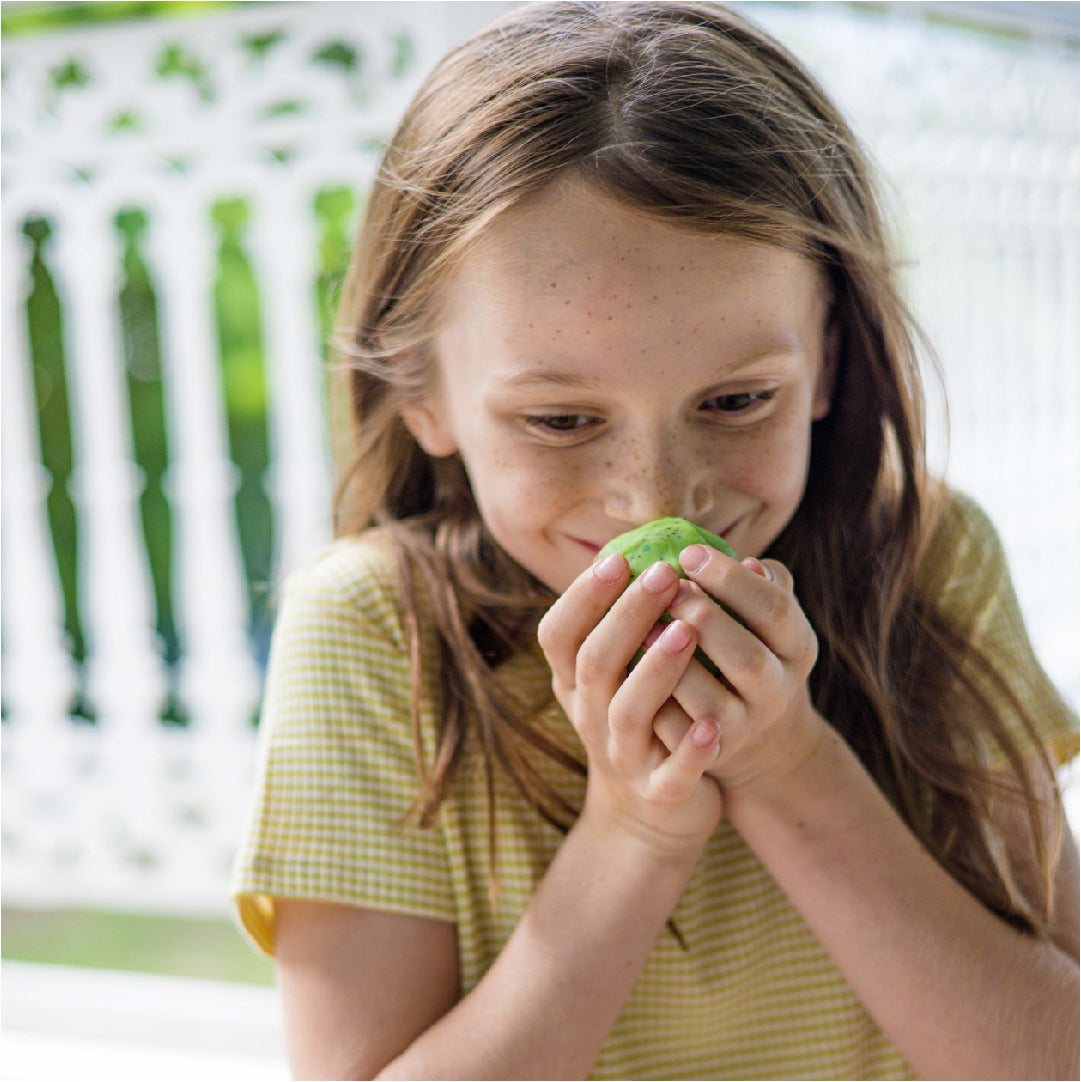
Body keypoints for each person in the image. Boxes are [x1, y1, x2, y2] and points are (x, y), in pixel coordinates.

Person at [230, 3, 1079, 1077]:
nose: (654, 500)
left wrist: (790, 765)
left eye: (735, 399)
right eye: (560, 419)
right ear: (423, 394)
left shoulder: (928, 557)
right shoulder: (370, 633)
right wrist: (635, 831)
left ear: (824, 354)